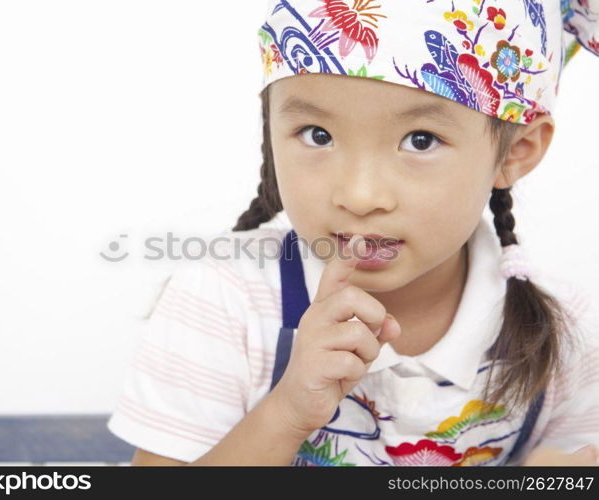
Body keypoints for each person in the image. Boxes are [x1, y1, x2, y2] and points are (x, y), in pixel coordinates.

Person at [107, 0, 599, 466]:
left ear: (517, 151)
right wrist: (287, 412)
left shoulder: (568, 332)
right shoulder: (224, 298)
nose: (360, 196)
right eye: (317, 135)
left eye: (420, 140)